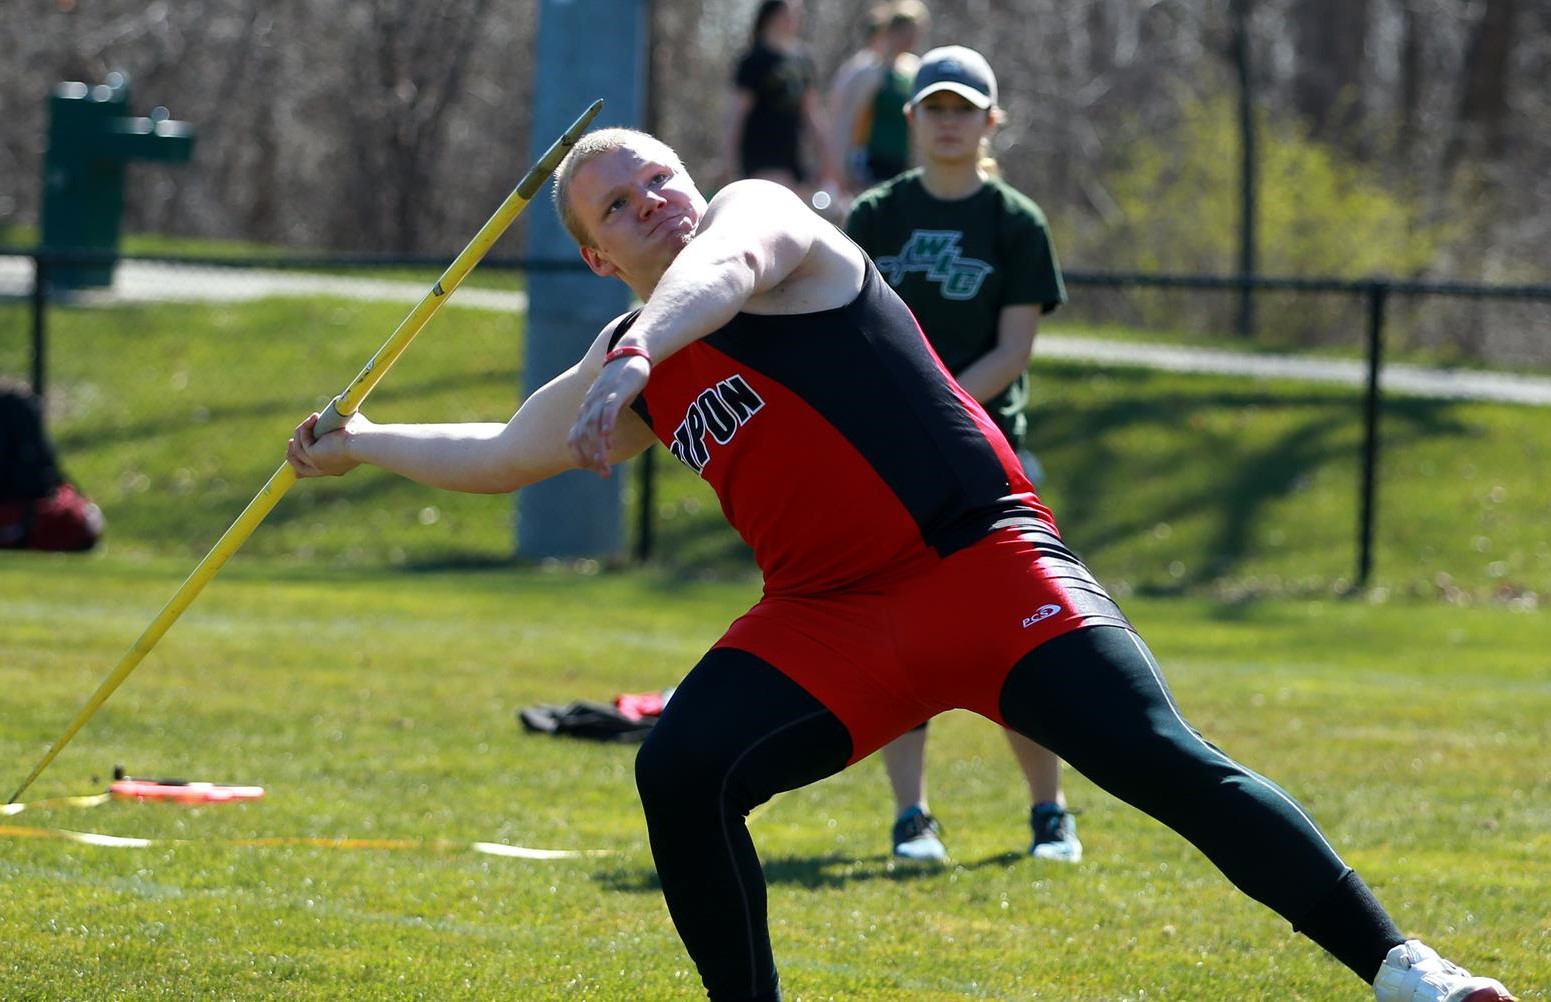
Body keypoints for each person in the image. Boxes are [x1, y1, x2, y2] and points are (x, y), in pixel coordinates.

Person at [286, 128, 1517, 1002]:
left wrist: (639, 354)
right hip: (829, 622)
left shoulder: (759, 220)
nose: (651, 200)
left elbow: (725, 274)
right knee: (681, 770)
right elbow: (507, 452)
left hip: (982, 564)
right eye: (617, 205)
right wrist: (365, 444)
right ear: (597, 256)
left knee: (1165, 764)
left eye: (657, 174)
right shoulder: (629, 348)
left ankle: (1407, 970)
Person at [844, 45, 1073, 863]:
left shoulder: (1015, 221)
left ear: (990, 122)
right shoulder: (875, 215)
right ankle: (912, 817)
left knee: (1016, 637)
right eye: (934, 109)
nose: (948, 123)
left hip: (985, 456)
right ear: (910, 119)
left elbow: (1013, 348)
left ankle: (1049, 812)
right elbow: (846, 333)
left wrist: (937, 411)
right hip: (891, 459)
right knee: (900, 637)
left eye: (963, 110)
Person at [720, 0, 838, 207]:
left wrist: (826, 154)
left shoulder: (802, 61)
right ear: (772, 17)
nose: (796, 19)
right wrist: (727, 159)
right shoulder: (754, 60)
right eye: (790, 14)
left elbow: (811, 112)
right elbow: (737, 113)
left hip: (793, 154)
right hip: (761, 154)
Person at [828, 1, 929, 195]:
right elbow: (845, 120)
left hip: (899, 163)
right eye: (906, 33)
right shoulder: (867, 70)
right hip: (868, 163)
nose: (911, 39)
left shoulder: (912, 70)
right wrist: (840, 167)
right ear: (890, 31)